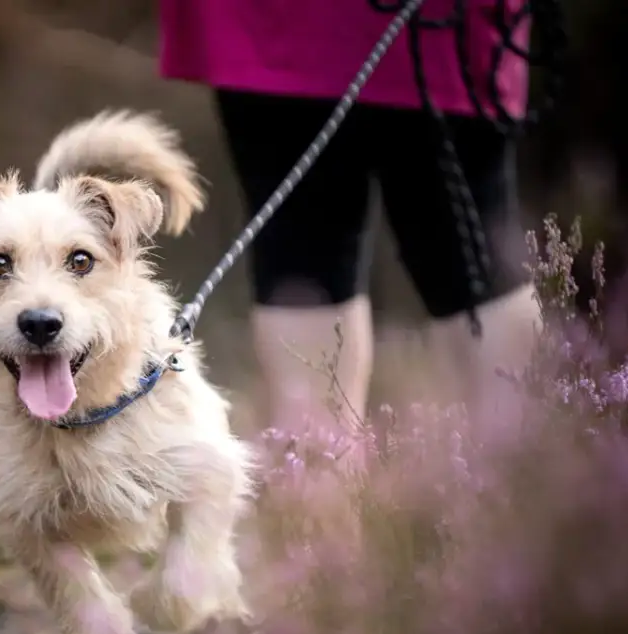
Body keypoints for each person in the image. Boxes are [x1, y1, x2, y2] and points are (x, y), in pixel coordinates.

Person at [158, 0, 544, 428]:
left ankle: (324, 484)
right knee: (306, 262)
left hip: (347, 28)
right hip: (305, 31)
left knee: (461, 265)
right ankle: (521, 471)